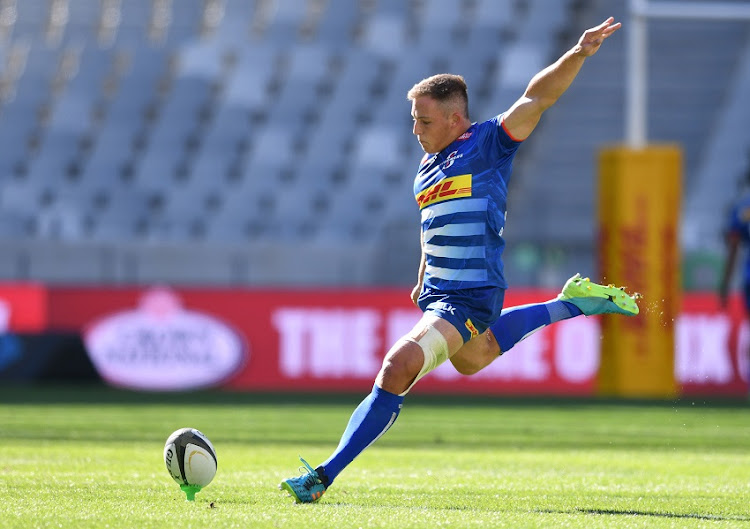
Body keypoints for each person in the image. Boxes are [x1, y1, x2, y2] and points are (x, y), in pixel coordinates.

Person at [280, 17, 637, 503]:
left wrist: (578, 52)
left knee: (397, 366)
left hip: (471, 293)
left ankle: (321, 477)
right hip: (438, 294)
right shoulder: (427, 171)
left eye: (424, 121)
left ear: (455, 119)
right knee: (476, 357)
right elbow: (432, 227)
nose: (415, 130)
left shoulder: (487, 143)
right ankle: (573, 304)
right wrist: (423, 273)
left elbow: (537, 97)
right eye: (412, 120)